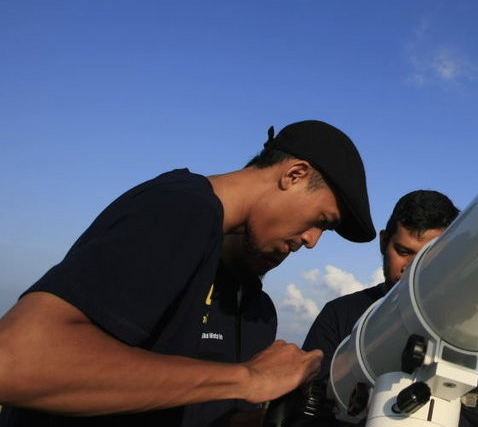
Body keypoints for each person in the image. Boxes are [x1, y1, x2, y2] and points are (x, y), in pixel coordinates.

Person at [0, 120, 376, 427]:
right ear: (293, 175)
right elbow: (16, 361)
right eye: (321, 221)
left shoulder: (230, 271)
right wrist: (249, 377)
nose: (312, 241)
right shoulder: (185, 206)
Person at [292, 190, 478, 426]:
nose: (413, 268)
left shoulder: (470, 330)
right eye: (404, 252)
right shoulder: (338, 315)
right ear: (384, 242)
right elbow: (307, 410)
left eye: (429, 257)